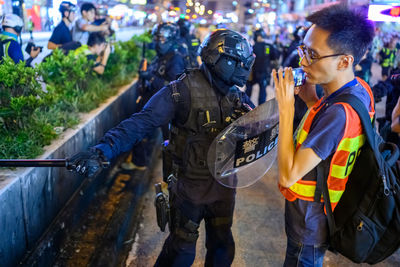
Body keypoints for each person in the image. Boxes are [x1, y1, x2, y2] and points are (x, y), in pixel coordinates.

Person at [67, 29, 255, 267]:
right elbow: (141, 122)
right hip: (190, 189)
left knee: (222, 248)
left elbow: (258, 131)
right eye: (238, 62)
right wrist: (102, 150)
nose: (243, 68)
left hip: (224, 187)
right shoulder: (181, 90)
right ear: (220, 60)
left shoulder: (236, 95)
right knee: (181, 251)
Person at [272, 5, 375, 266]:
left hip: (309, 224)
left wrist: (286, 109)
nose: (303, 61)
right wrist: (310, 101)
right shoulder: (361, 90)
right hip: (322, 215)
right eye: (303, 49)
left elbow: (288, 174)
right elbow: (332, 143)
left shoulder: (337, 113)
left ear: (344, 61)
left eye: (313, 55)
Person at [121, 22, 186, 171]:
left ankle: (172, 176)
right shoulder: (160, 56)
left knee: (170, 143)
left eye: (162, 39)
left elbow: (173, 87)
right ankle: (139, 162)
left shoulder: (175, 59)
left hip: (166, 110)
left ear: (171, 40)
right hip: (152, 106)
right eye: (156, 39)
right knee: (139, 133)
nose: (158, 43)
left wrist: (150, 77)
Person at [245, 28, 278, 105]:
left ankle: (245, 105)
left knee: (248, 91)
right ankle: (261, 109)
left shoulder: (252, 47)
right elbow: (274, 57)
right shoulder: (268, 47)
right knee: (262, 92)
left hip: (253, 73)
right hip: (264, 73)